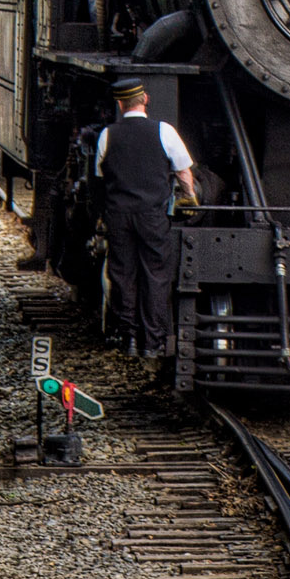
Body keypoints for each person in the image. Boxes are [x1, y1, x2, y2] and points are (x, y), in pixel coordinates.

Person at [94, 79, 196, 374]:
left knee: (122, 272)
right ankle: (152, 341)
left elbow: (100, 179)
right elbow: (184, 172)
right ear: (146, 99)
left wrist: (104, 213)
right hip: (152, 216)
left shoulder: (107, 135)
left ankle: (127, 336)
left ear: (120, 104)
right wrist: (189, 199)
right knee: (155, 274)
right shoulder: (165, 131)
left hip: (119, 216)